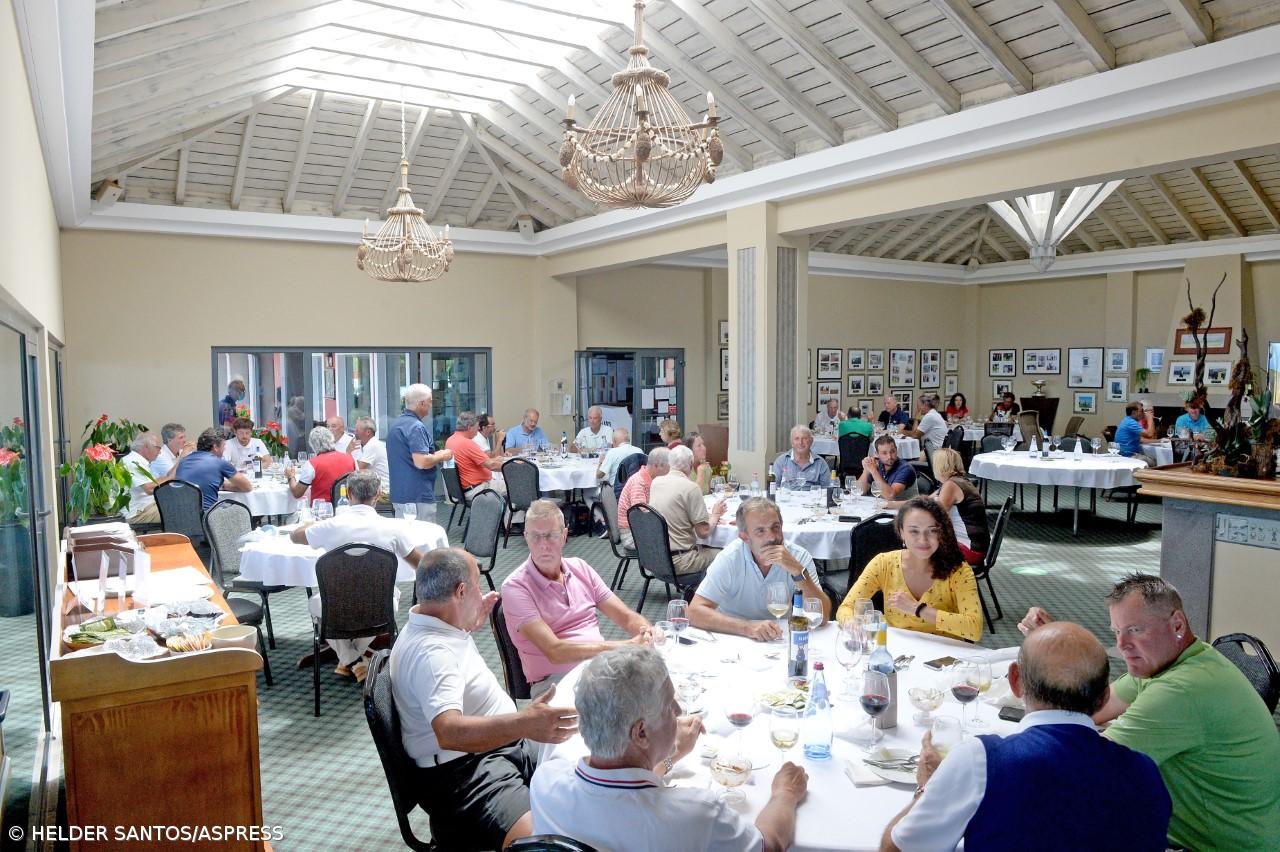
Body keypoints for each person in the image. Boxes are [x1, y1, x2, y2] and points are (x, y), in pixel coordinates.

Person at [1019, 575, 1280, 851]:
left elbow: (1082, 765)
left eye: (1135, 630)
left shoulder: (1180, 691)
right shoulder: (1179, 660)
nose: (1122, 644)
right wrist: (1055, 645)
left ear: (1177, 625)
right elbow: (1090, 709)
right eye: (1117, 631)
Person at [881, 622, 1171, 852]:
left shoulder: (981, 760)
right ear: (1104, 697)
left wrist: (924, 790)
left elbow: (895, 850)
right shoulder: (1147, 772)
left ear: (1015, 681)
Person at [390, 548, 579, 852]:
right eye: (476, 586)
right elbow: (449, 731)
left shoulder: (433, 623)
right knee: (543, 848)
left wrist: (463, 624)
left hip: (493, 751)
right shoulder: (433, 654)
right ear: (460, 592)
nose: (481, 594)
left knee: (584, 770)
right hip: (468, 775)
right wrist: (525, 722)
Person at [531, 645, 809, 852]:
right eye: (668, 705)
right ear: (641, 733)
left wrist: (670, 757)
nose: (677, 710)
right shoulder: (698, 814)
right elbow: (768, 845)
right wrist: (784, 794)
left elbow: (618, 793)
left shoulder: (545, 782)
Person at [290, 470, 439, 681]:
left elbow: (295, 538)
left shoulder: (330, 526)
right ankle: (355, 658)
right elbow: (421, 565)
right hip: (378, 607)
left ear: (348, 493)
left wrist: (309, 526)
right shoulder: (393, 529)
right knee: (390, 596)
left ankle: (348, 658)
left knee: (317, 605)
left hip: (336, 608)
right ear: (378, 494)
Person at [501, 500, 652, 695]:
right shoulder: (515, 587)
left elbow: (626, 617)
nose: (544, 545)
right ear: (526, 538)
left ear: (564, 535)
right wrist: (626, 647)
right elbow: (555, 651)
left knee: (658, 693)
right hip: (554, 683)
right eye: (536, 537)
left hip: (599, 669)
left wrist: (647, 632)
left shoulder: (580, 568)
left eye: (551, 536)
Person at [837, 497, 982, 642]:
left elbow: (974, 629)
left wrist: (917, 609)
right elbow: (847, 607)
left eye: (932, 531)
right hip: (899, 653)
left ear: (941, 533)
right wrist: (853, 625)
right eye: (914, 531)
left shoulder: (958, 570)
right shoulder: (884, 563)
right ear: (901, 533)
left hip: (946, 658)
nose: (923, 539)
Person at [690, 497, 830, 641]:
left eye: (775, 527)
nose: (771, 537)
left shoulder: (798, 557)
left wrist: (798, 572)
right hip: (734, 638)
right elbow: (694, 612)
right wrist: (747, 628)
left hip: (779, 637)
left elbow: (823, 616)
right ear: (745, 537)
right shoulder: (730, 558)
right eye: (760, 531)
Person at [647, 445, 725, 576]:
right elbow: (703, 532)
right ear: (690, 463)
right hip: (682, 560)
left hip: (658, 558)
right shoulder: (691, 488)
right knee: (728, 554)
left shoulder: (656, 482)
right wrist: (716, 515)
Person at [387, 383, 453, 522]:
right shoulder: (415, 427)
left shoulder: (396, 424)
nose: (430, 406)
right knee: (423, 539)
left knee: (406, 541)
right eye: (429, 402)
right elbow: (421, 462)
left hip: (400, 493)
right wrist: (442, 455)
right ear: (422, 403)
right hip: (417, 496)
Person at [922, 448, 989, 563]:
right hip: (977, 545)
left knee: (918, 548)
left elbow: (938, 518)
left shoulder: (951, 485)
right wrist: (892, 505)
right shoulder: (959, 481)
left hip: (969, 549)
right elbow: (924, 500)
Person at [176, 427, 251, 510]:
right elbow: (247, 487)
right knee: (238, 511)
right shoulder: (219, 463)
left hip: (180, 516)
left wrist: (220, 485)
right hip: (206, 517)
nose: (224, 449)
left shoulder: (183, 461)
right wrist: (224, 486)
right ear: (215, 447)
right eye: (223, 446)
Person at [287, 425, 357, 507]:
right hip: (346, 507)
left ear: (312, 445)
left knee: (290, 519)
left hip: (322, 510)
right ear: (332, 440)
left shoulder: (312, 464)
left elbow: (297, 493)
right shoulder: (351, 459)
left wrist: (290, 476)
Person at [446, 411, 507, 499]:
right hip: (478, 489)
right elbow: (491, 465)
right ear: (469, 427)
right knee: (515, 485)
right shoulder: (467, 443)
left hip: (463, 490)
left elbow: (485, 460)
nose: (479, 428)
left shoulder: (450, 440)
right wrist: (512, 468)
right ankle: (509, 512)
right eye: (476, 426)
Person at [121, 431, 178, 524]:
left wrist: (180, 460)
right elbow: (149, 489)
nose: (159, 453)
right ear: (146, 446)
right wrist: (171, 478)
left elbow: (157, 481)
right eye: (158, 448)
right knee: (182, 512)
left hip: (147, 506)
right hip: (139, 512)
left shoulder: (138, 460)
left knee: (182, 506)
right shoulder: (133, 462)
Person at [617, 447, 669, 550]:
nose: (669, 471)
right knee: (677, 541)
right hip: (631, 536)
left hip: (641, 530)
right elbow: (642, 516)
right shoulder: (639, 483)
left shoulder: (651, 479)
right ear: (656, 465)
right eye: (668, 467)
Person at [858, 435, 918, 500]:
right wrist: (866, 470)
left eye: (892, 451)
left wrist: (874, 471)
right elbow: (859, 491)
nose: (889, 456)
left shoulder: (905, 469)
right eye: (884, 453)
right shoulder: (876, 464)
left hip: (904, 508)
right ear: (877, 454)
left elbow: (890, 496)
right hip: (881, 506)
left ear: (896, 450)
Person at [351, 415, 389, 496]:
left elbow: (357, 469)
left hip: (382, 493)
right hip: (376, 488)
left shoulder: (372, 445)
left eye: (357, 430)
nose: (355, 433)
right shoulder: (370, 444)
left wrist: (348, 453)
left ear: (368, 432)